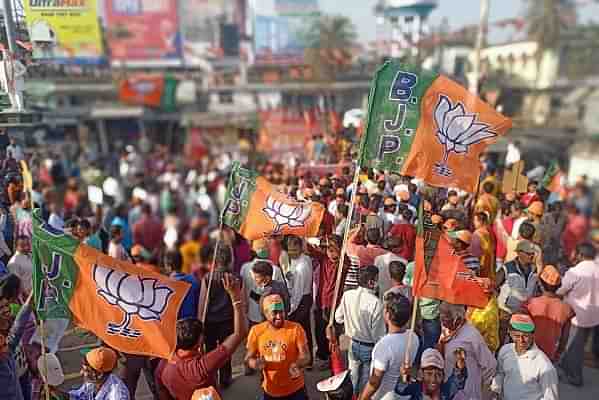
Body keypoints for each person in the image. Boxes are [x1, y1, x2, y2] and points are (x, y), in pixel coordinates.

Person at [155, 274, 247, 399]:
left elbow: (162, 391)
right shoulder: (201, 367)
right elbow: (238, 334)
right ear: (199, 342)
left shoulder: (163, 365)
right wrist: (235, 297)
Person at [246, 293, 311, 400]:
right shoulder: (256, 332)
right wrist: (254, 363)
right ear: (265, 314)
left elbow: (306, 356)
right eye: (274, 313)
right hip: (271, 392)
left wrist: (297, 364)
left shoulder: (296, 329)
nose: (279, 316)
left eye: (281, 311)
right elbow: (248, 358)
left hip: (296, 391)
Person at [332, 265, 386, 396]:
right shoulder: (376, 303)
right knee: (366, 384)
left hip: (352, 343)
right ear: (371, 282)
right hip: (369, 347)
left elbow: (338, 318)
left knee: (353, 379)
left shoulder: (347, 295)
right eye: (377, 279)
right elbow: (378, 335)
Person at [358, 292, 418, 400]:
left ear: (387, 315)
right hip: (402, 395)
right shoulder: (413, 337)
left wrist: (363, 398)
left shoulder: (384, 346)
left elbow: (375, 381)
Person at [558, 243, 599, 386]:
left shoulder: (575, 271)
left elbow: (560, 290)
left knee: (574, 347)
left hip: (577, 316)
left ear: (580, 255)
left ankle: (575, 377)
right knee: (579, 345)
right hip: (594, 315)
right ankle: (565, 365)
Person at [491, 314, 558, 400]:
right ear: (510, 333)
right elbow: (500, 373)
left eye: (525, 336)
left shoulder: (545, 367)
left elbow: (550, 397)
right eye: (516, 336)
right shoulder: (505, 350)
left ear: (533, 335)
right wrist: (496, 391)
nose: (521, 340)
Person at [438, 302, 496, 400]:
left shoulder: (472, 336)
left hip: (467, 392)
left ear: (458, 319)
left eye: (446, 317)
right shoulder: (447, 331)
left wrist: (477, 383)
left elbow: (490, 365)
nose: (442, 321)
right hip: (448, 387)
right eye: (441, 316)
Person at [523, 264, 574, 362]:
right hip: (549, 354)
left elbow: (521, 329)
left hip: (528, 350)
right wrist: (558, 353)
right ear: (559, 286)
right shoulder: (566, 308)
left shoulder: (530, 303)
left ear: (540, 284)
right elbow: (565, 337)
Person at [279, 235, 314, 367]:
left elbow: (298, 291)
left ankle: (302, 360)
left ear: (300, 247)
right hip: (303, 297)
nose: (292, 253)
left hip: (300, 301)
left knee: (299, 332)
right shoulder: (304, 259)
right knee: (306, 330)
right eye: (290, 250)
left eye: (295, 250)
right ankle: (308, 359)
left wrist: (291, 308)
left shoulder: (302, 266)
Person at [497, 240, 539, 345]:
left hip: (522, 312)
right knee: (501, 338)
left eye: (533, 254)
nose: (531, 256)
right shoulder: (507, 268)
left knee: (516, 340)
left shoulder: (534, 269)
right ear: (519, 253)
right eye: (529, 254)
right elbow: (495, 285)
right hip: (505, 311)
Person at [52, 347, 130, 400]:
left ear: (99, 375)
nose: (81, 372)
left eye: (85, 370)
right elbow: (77, 397)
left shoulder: (117, 395)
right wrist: (53, 391)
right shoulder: (92, 382)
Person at [395, 348, 468, 400]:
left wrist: (460, 366)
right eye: (429, 374)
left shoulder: (446, 391)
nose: (433, 379)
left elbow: (457, 380)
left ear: (443, 376)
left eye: (438, 374)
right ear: (421, 374)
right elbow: (401, 389)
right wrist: (403, 375)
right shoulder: (416, 388)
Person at [0, 285, 32, 400]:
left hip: (23, 373)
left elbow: (18, 327)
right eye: (1, 308)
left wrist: (32, 298)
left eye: (6, 305)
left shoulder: (7, 354)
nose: (6, 348)